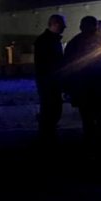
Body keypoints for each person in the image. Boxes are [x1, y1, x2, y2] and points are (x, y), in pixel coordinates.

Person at [62, 16, 101, 148]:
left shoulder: (74, 43)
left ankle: (91, 145)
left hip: (83, 89)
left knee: (87, 119)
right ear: (96, 27)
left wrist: (68, 87)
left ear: (81, 27)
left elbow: (68, 67)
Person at [33, 14, 66, 144]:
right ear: (56, 24)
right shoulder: (48, 41)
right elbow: (48, 64)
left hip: (48, 82)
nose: (65, 27)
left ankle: (47, 136)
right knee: (51, 110)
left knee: (51, 109)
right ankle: (47, 137)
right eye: (62, 24)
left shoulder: (46, 40)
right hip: (49, 82)